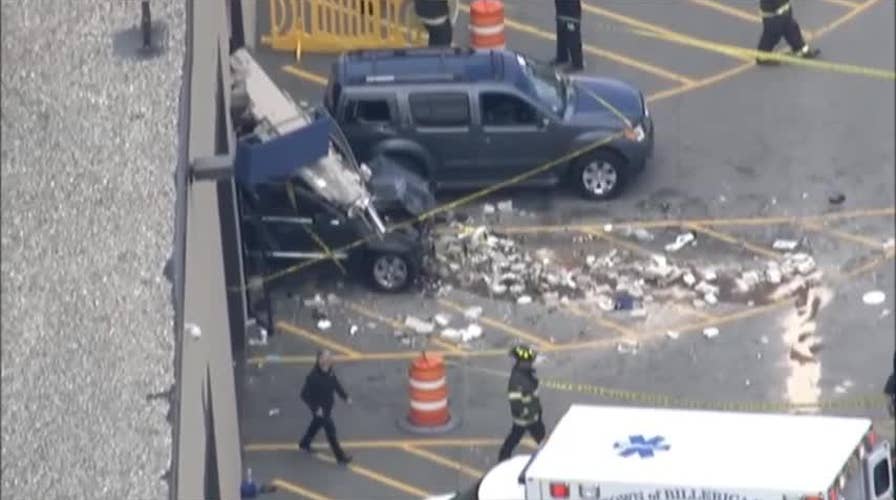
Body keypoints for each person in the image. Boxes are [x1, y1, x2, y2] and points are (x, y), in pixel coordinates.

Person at [299, 349, 353, 465]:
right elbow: (304, 395)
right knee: (331, 432)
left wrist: (345, 397)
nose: (329, 359)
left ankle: (304, 443)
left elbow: (335, 384)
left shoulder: (329, 371)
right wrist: (315, 408)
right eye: (326, 358)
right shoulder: (313, 377)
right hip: (321, 410)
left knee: (315, 425)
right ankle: (341, 457)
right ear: (320, 360)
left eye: (329, 357)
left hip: (327, 407)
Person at [498, 345, 547, 462]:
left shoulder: (526, 373)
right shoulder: (517, 380)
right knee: (521, 436)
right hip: (527, 417)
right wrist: (527, 413)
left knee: (517, 436)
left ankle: (503, 457)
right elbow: (516, 403)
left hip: (533, 414)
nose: (531, 363)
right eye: (529, 361)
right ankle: (503, 457)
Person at [755, 0, 820, 66]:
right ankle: (762, 57)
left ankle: (801, 50)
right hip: (773, 13)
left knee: (791, 29)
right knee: (772, 34)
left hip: (784, 10)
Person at [552, 0, 584, 72]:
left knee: (573, 37)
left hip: (571, 12)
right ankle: (562, 57)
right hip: (561, 9)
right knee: (561, 32)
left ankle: (577, 63)